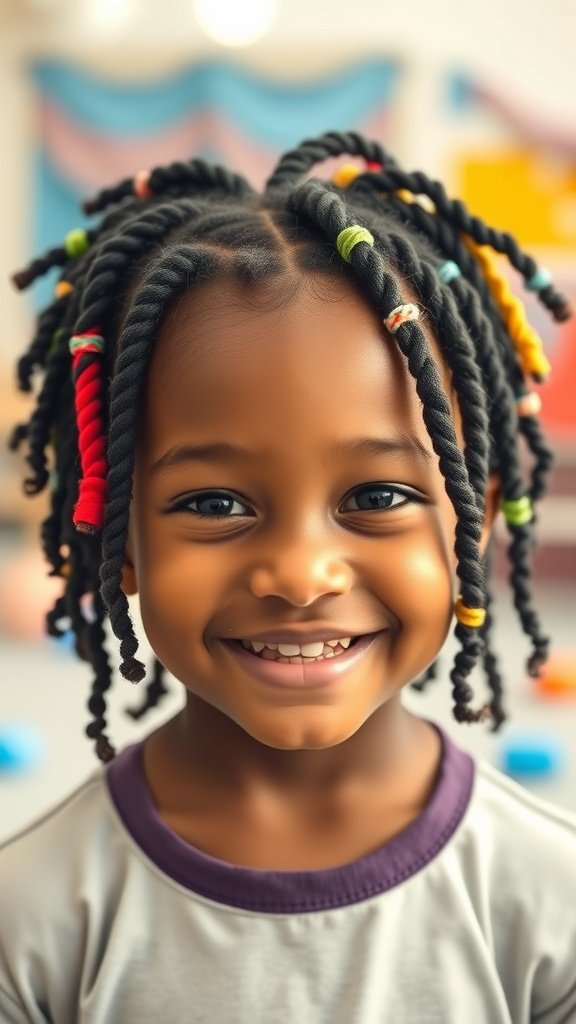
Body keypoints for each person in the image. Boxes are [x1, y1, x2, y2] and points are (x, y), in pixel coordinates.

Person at [1, 129, 575, 1023]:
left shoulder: (551, 908)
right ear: (115, 526)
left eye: (377, 493)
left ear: (477, 507)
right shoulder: (31, 919)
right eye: (215, 504)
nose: (301, 576)